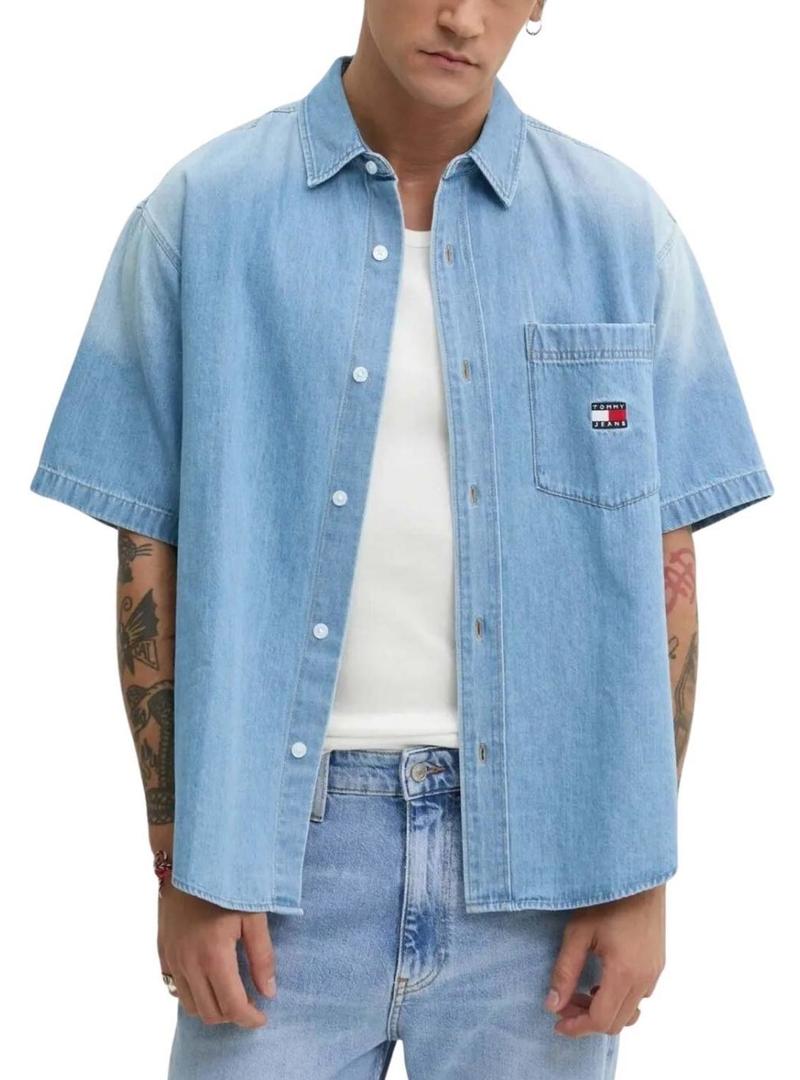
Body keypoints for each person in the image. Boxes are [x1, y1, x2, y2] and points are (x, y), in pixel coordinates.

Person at [29, 2, 775, 1077]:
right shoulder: (202, 213)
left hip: (544, 876)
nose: (460, 16)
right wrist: (180, 860)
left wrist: (635, 877)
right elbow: (147, 553)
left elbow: (667, 570)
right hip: (273, 868)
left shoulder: (621, 231)